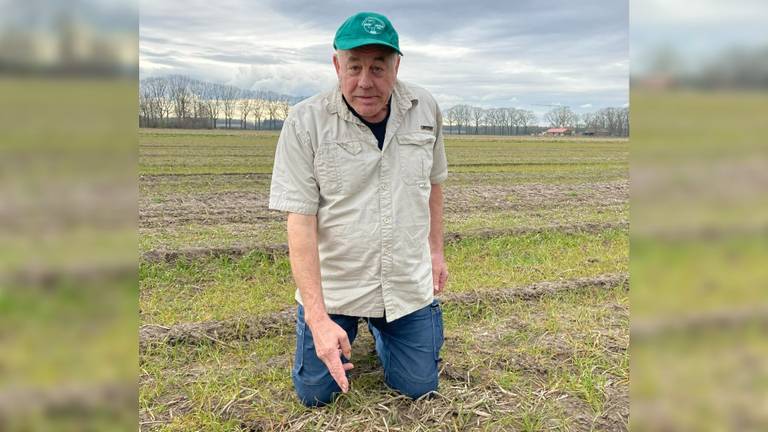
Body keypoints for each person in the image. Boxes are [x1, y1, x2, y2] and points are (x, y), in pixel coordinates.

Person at [268, 11, 449, 407]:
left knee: (419, 389)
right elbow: (299, 222)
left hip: (405, 285)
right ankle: (344, 327)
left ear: (397, 65)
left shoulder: (425, 109)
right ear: (336, 65)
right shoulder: (305, 123)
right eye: (354, 67)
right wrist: (317, 318)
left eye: (378, 67)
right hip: (338, 288)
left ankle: (386, 333)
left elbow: (433, 184)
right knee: (317, 395)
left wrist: (436, 251)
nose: (366, 81)